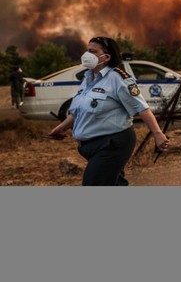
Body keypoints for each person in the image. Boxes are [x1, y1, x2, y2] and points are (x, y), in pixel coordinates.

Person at [47, 36, 170, 186]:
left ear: (106, 57)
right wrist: (62, 127)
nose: (87, 55)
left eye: (92, 51)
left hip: (112, 144)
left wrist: (157, 134)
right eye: (87, 50)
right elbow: (78, 112)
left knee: (94, 183)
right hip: (90, 146)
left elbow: (142, 108)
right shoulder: (87, 78)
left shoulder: (118, 78)